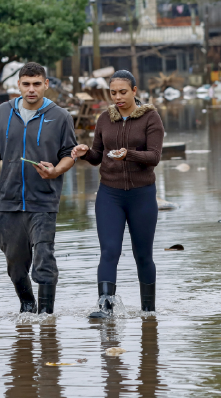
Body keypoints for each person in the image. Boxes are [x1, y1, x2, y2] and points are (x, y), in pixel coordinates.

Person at [0, 62, 77, 315]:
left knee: (44, 259)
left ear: (46, 84)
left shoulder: (61, 117)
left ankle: (46, 317)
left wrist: (56, 171)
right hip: (9, 201)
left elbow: (70, 154)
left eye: (37, 84)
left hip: (44, 202)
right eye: (26, 84)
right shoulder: (3, 113)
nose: (32, 89)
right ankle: (27, 306)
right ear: (18, 86)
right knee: (14, 263)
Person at [71, 70, 164, 318]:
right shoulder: (104, 119)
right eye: (113, 93)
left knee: (143, 254)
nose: (118, 97)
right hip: (109, 195)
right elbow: (97, 156)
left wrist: (128, 153)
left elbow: (154, 157)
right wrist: (84, 151)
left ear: (135, 91)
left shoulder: (151, 118)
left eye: (123, 92)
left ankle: (148, 311)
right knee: (109, 250)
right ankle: (105, 306)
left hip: (141, 195)